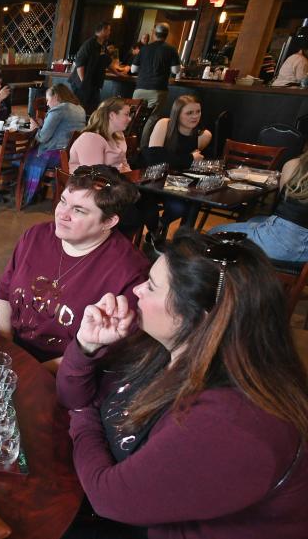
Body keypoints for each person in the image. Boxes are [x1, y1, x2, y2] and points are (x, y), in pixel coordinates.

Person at [57, 230, 308, 538]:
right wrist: (87, 346)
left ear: (200, 319)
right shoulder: (168, 348)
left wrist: (84, 415)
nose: (136, 290)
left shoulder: (234, 422)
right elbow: (71, 394)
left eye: (151, 286)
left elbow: (107, 497)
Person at [0, 165, 149, 364]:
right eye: (63, 201)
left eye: (79, 210)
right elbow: (4, 294)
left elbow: (107, 353)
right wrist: (4, 350)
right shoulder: (36, 235)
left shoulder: (130, 272)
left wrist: (30, 371)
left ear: (109, 221)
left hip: (64, 372)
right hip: (11, 354)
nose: (62, 214)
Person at [209, 149, 308, 263]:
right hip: (304, 252)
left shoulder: (295, 165)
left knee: (214, 233)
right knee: (255, 219)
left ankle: (231, 275)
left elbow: (283, 199)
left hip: (281, 247)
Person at [138, 94, 212, 236]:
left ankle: (160, 228)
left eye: (198, 112)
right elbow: (154, 159)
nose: (195, 116)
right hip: (151, 180)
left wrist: (186, 160)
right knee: (177, 207)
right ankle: (156, 231)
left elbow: (190, 163)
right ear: (177, 114)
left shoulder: (204, 135)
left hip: (177, 183)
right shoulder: (164, 124)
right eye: (189, 113)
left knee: (185, 206)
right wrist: (189, 158)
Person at [22, 84, 86, 204]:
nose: (47, 104)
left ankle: (27, 194)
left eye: (48, 100)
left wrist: (36, 128)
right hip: (71, 153)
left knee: (24, 157)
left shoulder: (59, 109)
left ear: (56, 96)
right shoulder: (80, 109)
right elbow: (62, 128)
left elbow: (43, 137)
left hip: (56, 153)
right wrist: (43, 125)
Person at [69, 97, 132, 173]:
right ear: (112, 115)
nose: (130, 119)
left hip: (114, 181)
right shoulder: (90, 139)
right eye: (126, 114)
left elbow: (125, 166)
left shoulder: (119, 135)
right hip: (89, 183)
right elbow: (94, 175)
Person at [131, 22, 181, 112]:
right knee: (151, 118)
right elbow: (175, 70)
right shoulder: (171, 49)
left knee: (133, 118)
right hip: (158, 90)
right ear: (167, 34)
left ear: (154, 33)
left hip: (140, 89)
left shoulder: (144, 48)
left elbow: (133, 69)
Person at [69, 22, 112, 114]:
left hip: (94, 84)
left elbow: (108, 62)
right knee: (79, 109)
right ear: (103, 30)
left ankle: (88, 127)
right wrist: (84, 83)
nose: (110, 32)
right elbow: (80, 64)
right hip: (82, 84)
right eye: (109, 30)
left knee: (93, 109)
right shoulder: (89, 44)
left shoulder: (103, 46)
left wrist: (118, 73)